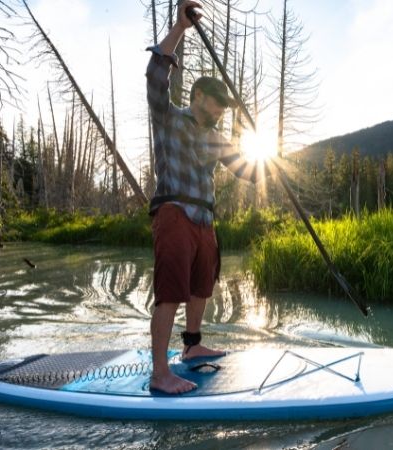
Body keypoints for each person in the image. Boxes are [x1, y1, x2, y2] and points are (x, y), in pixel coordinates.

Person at [146, 0, 256, 394]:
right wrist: (179, 29)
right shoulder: (169, 117)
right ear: (198, 97)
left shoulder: (217, 139)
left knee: (200, 287)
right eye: (217, 106)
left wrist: (261, 154)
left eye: (225, 109)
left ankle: (191, 348)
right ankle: (160, 374)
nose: (221, 113)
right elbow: (156, 74)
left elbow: (249, 171)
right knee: (171, 292)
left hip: (205, 221)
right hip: (174, 211)